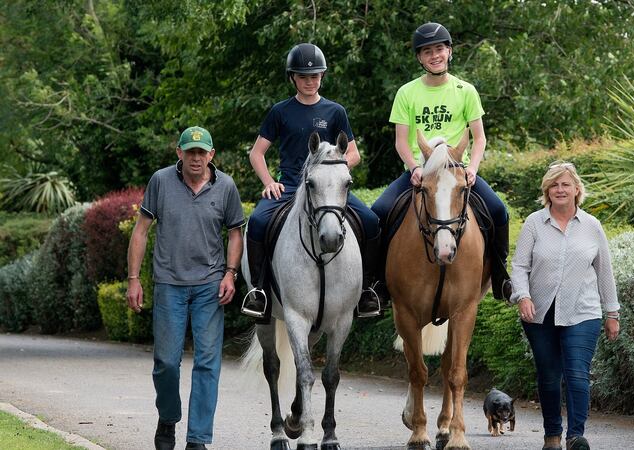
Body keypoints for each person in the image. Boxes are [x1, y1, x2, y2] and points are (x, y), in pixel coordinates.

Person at [371, 22, 512, 300]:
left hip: (456, 172)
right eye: (427, 52)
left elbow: (479, 138)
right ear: (419, 58)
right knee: (378, 213)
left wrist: (472, 168)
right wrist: (414, 168)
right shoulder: (406, 92)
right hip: (421, 173)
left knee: (498, 211)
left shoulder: (465, 90)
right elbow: (401, 141)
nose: (434, 55)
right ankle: (377, 284)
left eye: (439, 49)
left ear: (449, 51)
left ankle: (501, 277)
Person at [242, 43, 383, 319]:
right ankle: (258, 292)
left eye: (315, 76)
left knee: (370, 221)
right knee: (257, 222)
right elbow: (257, 153)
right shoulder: (280, 112)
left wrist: (334, 167)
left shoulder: (335, 111)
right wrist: (269, 181)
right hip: (291, 187)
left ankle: (368, 289)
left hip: (328, 190)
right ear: (293, 78)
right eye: (304, 76)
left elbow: (353, 153)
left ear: (322, 77)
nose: (310, 81)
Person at [126, 126, 245, 450]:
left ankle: (198, 439)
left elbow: (236, 233)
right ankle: (168, 419)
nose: (196, 158)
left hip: (209, 286)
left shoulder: (226, 187)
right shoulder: (161, 181)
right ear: (179, 153)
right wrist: (134, 279)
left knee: (208, 362)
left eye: (201, 152)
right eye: (189, 152)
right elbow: (141, 232)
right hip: (169, 285)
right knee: (166, 361)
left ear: (211, 155)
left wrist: (230, 273)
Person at [509, 161, 621, 450]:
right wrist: (522, 296)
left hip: (583, 312)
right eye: (554, 185)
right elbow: (520, 266)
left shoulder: (592, 226)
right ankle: (552, 435)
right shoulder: (534, 223)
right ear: (547, 190)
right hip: (539, 313)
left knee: (577, 373)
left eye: (565, 184)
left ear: (576, 190)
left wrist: (612, 313)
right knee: (548, 376)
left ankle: (576, 436)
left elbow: (604, 271)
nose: (560, 189)